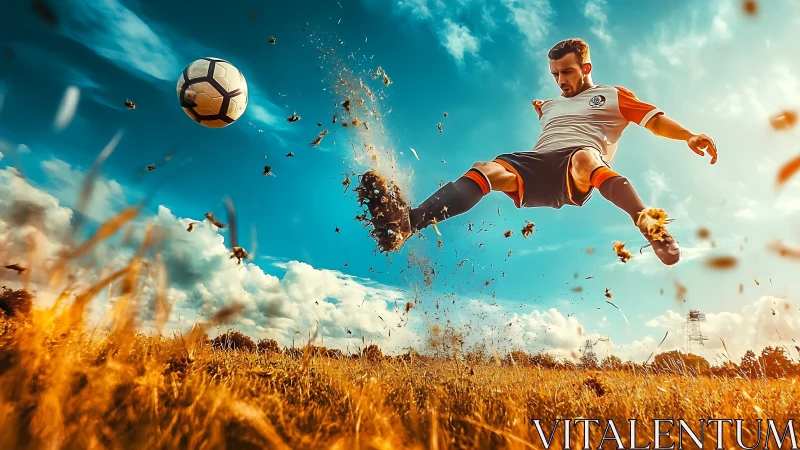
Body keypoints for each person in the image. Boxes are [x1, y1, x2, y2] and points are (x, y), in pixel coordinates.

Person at [359, 38, 717, 266]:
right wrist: (543, 107)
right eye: (555, 74)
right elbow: (555, 112)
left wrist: (688, 135)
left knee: (583, 158)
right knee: (486, 169)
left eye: (568, 72)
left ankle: (651, 227)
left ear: (586, 68)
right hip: (536, 164)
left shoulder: (612, 95)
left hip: (576, 165)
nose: (561, 80)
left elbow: (653, 120)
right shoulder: (549, 105)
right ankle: (407, 224)